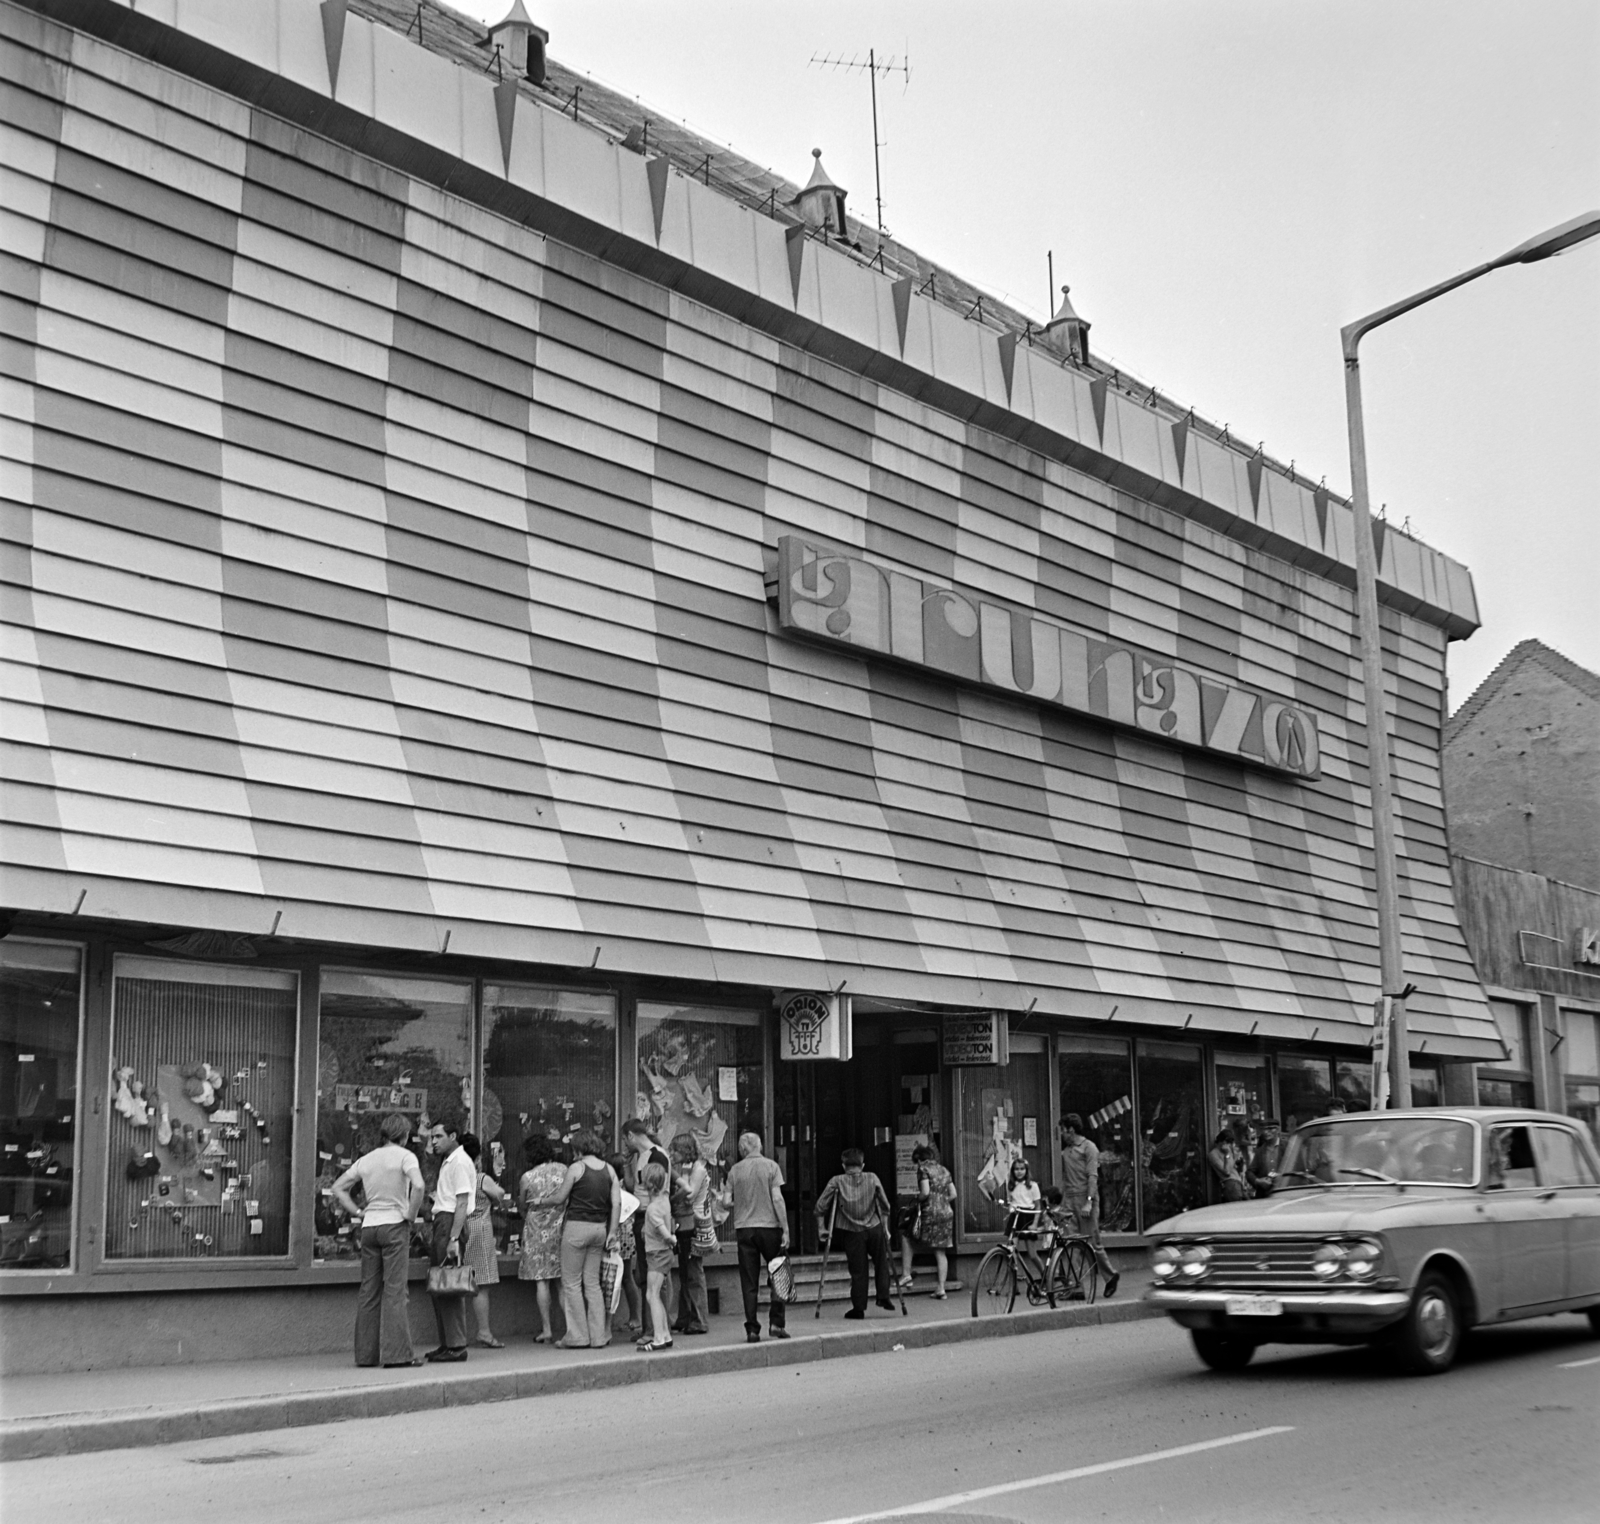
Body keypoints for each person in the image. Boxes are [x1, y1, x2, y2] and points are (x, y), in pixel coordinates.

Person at [329, 1112, 425, 1367]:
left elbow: (338, 1187)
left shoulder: (367, 1159)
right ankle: (398, 1355)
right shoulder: (406, 1156)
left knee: (368, 1292)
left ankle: (365, 1356)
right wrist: (411, 1214)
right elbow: (418, 1185)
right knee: (395, 1291)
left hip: (370, 1226)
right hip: (395, 1225)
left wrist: (359, 1212)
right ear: (404, 1136)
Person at [547, 1130, 621, 1349]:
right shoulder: (609, 1170)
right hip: (599, 1230)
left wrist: (542, 1200)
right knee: (592, 1283)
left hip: (576, 1228)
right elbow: (616, 1204)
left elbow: (561, 1198)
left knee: (571, 1282)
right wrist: (612, 1232)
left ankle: (577, 1336)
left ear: (579, 1149)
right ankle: (599, 1336)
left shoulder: (577, 1168)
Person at [816, 1147, 895, 1319]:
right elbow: (885, 1206)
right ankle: (884, 1296)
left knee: (858, 1270)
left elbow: (820, 1206)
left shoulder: (837, 1181)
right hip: (874, 1227)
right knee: (881, 1262)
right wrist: (886, 1229)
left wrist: (821, 1228)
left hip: (852, 1231)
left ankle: (858, 1308)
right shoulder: (872, 1178)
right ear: (863, 1164)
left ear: (843, 1165)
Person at [727, 1130, 790, 1343]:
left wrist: (742, 1203)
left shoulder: (735, 1171)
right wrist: (786, 1228)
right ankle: (776, 1323)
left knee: (749, 1281)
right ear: (760, 1146)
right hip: (770, 1227)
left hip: (744, 1229)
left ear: (742, 1149)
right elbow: (778, 1199)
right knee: (779, 1274)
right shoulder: (772, 1166)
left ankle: (752, 1329)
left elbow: (726, 1201)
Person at [424, 1118, 475, 1362]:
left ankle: (456, 1345)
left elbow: (462, 1202)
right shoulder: (448, 1161)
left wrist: (454, 1237)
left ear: (453, 1136)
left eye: (438, 1136)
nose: (433, 1141)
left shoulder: (460, 1162)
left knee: (449, 1284)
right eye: (432, 1137)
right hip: (442, 1220)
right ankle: (447, 1343)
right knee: (440, 1284)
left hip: (449, 1222)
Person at [1058, 1114, 1119, 1297]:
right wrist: (1060, 1204)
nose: (1061, 1134)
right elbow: (1065, 1180)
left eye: (1063, 1130)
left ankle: (1110, 1276)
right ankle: (1076, 1287)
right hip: (1070, 1200)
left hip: (1087, 1200)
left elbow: (1093, 1176)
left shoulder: (1089, 1148)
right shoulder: (1065, 1152)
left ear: (1071, 1130)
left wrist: (1089, 1202)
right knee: (1071, 1243)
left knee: (1094, 1243)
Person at [621, 1119, 671, 1341]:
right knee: (645, 1273)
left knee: (654, 1275)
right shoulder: (641, 1156)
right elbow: (636, 1187)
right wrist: (625, 1164)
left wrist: (652, 1219)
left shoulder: (655, 1155)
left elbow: (659, 1188)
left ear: (631, 1136)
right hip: (643, 1214)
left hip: (650, 1216)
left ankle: (655, 1330)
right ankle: (650, 1328)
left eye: (624, 1139)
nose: (624, 1143)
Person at [517, 1134, 568, 1343]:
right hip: (560, 1228)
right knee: (563, 1283)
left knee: (542, 1281)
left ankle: (546, 1330)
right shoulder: (564, 1170)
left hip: (536, 1229)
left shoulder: (527, 1177)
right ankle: (572, 1328)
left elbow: (522, 1203)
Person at [459, 1132, 508, 1349]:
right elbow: (499, 1194)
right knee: (481, 1285)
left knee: (459, 1282)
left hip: (460, 1229)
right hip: (479, 1229)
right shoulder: (480, 1178)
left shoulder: (453, 1174)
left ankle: (457, 1333)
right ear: (478, 1158)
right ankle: (484, 1331)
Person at [898, 1142, 956, 1299]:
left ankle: (906, 1274)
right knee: (940, 1250)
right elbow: (953, 1194)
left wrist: (917, 1199)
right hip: (946, 1213)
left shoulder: (923, 1169)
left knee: (907, 1235)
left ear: (918, 1160)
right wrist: (942, 1202)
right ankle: (941, 1288)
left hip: (929, 1212)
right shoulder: (944, 1170)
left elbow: (925, 1192)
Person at [668, 1132, 710, 1334]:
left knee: (694, 1273)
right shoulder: (685, 1168)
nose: (671, 1154)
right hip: (685, 1223)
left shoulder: (698, 1168)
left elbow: (690, 1193)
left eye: (674, 1150)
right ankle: (686, 1316)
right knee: (686, 1273)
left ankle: (699, 1319)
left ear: (684, 1151)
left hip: (695, 1224)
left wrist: (672, 1199)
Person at [637, 1160, 676, 1352]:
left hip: (656, 1254)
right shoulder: (665, 1200)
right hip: (664, 1254)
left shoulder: (652, 1209)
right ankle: (665, 1334)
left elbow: (663, 1230)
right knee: (657, 1294)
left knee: (651, 1294)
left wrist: (671, 1238)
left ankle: (658, 1337)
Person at [1208, 1127, 1247, 1202]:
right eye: (1227, 1142)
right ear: (1221, 1141)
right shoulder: (1213, 1154)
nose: (1229, 1145)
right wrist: (1227, 1154)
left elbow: (1233, 1167)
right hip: (1230, 1183)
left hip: (1238, 1182)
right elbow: (1227, 1172)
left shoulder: (1229, 1151)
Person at [1248, 1118, 1284, 1197]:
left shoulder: (1287, 1147)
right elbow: (1249, 1173)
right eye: (1264, 1129)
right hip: (1265, 1195)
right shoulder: (1260, 1151)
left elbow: (1298, 1169)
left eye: (1270, 1129)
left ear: (1278, 1130)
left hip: (1285, 1192)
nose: (1266, 1132)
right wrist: (1259, 1181)